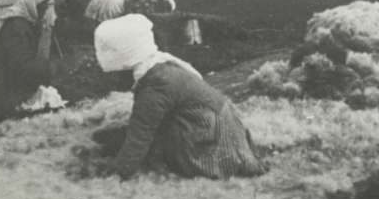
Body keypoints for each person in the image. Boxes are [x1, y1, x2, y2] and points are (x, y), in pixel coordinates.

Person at [93, 14, 268, 180]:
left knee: (146, 146)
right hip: (225, 130)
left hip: (213, 144)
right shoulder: (163, 66)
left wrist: (117, 173)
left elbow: (140, 136)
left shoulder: (155, 84)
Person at [0, 0, 57, 113]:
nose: (44, 10)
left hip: (19, 81)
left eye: (46, 6)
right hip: (9, 88)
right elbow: (19, 64)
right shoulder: (16, 28)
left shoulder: (26, 24)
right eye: (42, 6)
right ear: (32, 3)